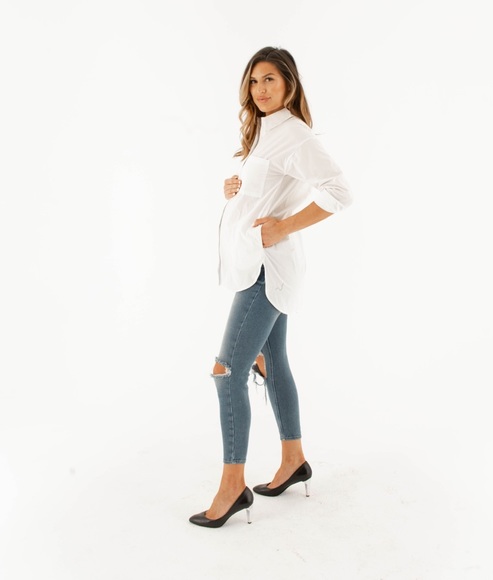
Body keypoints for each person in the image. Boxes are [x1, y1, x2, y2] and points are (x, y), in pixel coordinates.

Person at [189, 46, 353, 528]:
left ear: (289, 85)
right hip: (255, 264)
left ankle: (232, 487)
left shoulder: (295, 134)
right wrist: (236, 188)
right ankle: (293, 459)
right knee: (272, 360)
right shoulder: (265, 131)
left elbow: (340, 192)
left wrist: (283, 226)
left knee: (227, 372)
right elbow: (270, 187)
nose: (260, 89)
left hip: (266, 269)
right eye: (254, 80)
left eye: (270, 80)